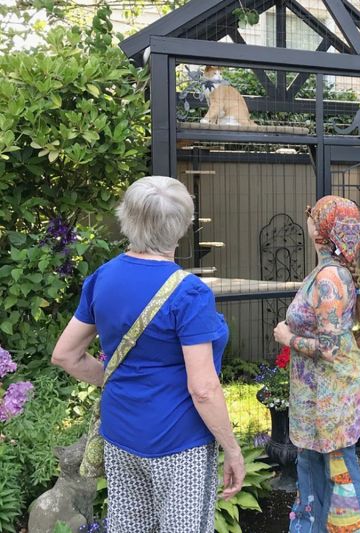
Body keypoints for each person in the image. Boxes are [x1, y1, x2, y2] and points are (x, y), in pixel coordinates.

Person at [52, 175, 244, 532]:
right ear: (182, 226)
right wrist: (232, 449)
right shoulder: (189, 293)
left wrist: (113, 379)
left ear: (127, 218)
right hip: (180, 442)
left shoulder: (102, 278)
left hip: (121, 435)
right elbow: (202, 388)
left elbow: (66, 354)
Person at [272, 195, 360, 533]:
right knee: (319, 469)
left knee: (336, 471)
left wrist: (288, 338)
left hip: (327, 399)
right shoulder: (329, 271)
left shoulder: (329, 278)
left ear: (320, 231)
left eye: (312, 217)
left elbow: (328, 349)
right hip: (321, 396)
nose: (308, 221)